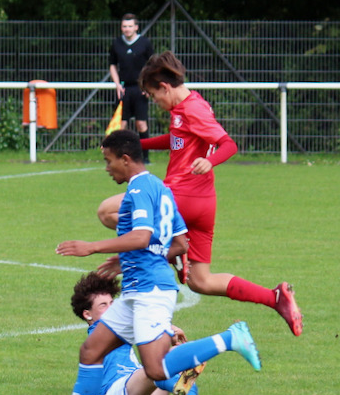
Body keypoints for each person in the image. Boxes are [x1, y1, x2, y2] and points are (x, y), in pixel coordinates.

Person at [33, 130, 262, 395]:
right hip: (136, 290)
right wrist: (121, 260)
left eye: (108, 160)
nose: (106, 167)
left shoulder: (139, 188)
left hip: (151, 290)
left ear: (125, 160)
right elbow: (180, 243)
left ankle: (231, 338)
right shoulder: (161, 189)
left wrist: (93, 247)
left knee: (155, 369)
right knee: (91, 350)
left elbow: (141, 236)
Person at [99, 50, 303, 337]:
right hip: (203, 204)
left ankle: (170, 252)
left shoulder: (192, 109)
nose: (155, 102)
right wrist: (136, 143)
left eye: (154, 95)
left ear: (165, 87)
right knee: (201, 281)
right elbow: (178, 140)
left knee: (108, 211)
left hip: (181, 196)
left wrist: (211, 160)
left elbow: (228, 144)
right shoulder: (188, 108)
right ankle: (275, 298)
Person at [34, 272, 212, 395]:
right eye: (103, 305)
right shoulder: (98, 332)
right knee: (161, 365)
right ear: (88, 314)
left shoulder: (117, 330)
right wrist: (165, 328)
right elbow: (141, 325)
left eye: (112, 303)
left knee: (179, 354)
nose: (112, 309)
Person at [108, 13, 154, 162]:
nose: (127, 29)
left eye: (130, 26)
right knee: (121, 125)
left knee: (141, 124)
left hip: (140, 89)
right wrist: (117, 84)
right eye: (124, 26)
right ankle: (121, 156)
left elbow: (152, 65)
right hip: (124, 89)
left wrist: (148, 86)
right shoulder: (116, 44)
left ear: (136, 27)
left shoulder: (145, 43)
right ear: (121, 28)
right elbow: (113, 65)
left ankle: (144, 157)